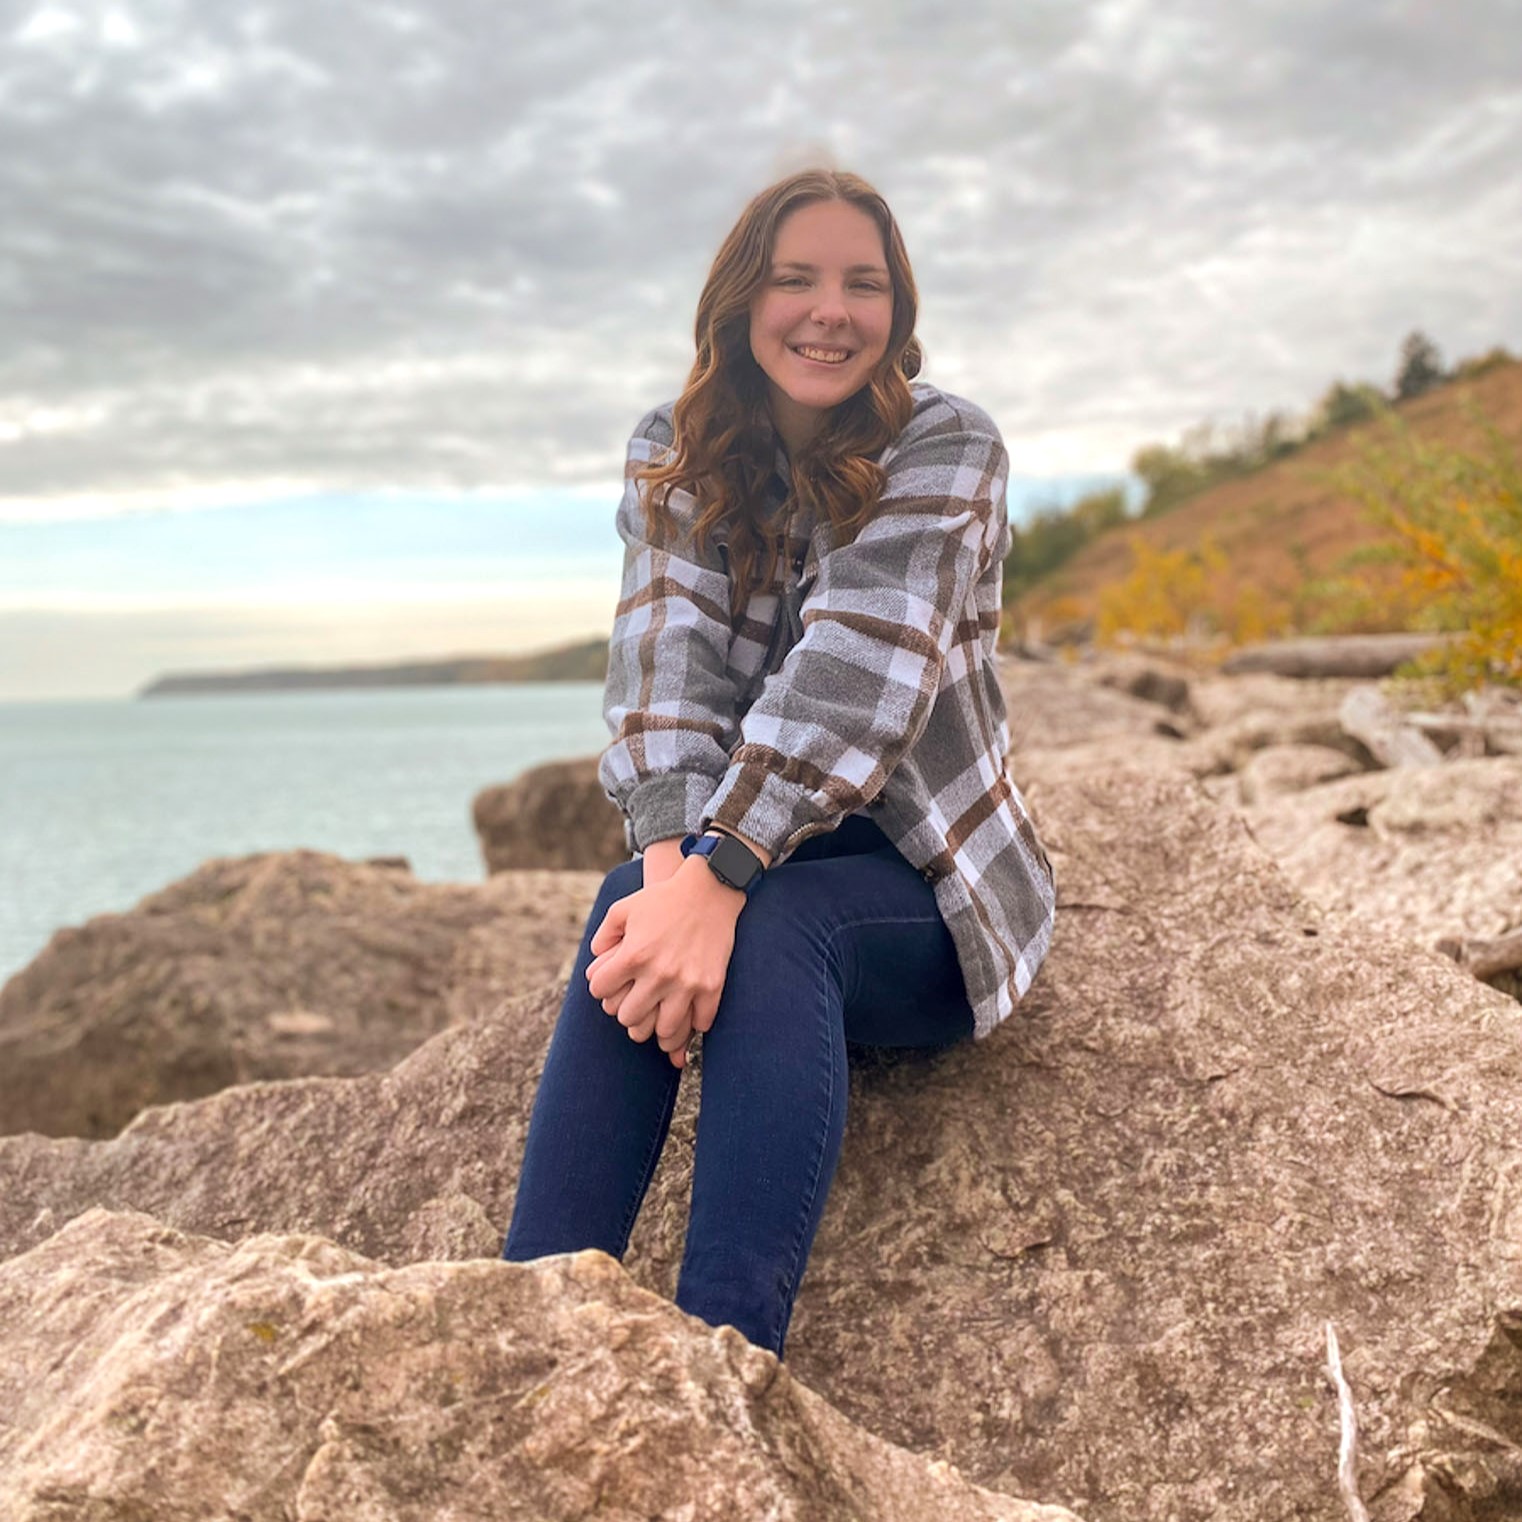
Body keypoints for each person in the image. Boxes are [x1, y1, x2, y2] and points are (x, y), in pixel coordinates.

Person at [502, 167, 1056, 1359]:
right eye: (795, 278)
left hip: (923, 880)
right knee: (627, 913)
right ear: (739, 301)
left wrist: (722, 873)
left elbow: (858, 676)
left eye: (864, 284)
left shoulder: (946, 443)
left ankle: (725, 1361)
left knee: (767, 922)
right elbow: (661, 666)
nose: (828, 311)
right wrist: (668, 869)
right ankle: (527, 1327)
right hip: (745, 842)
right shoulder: (679, 446)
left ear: (897, 311)